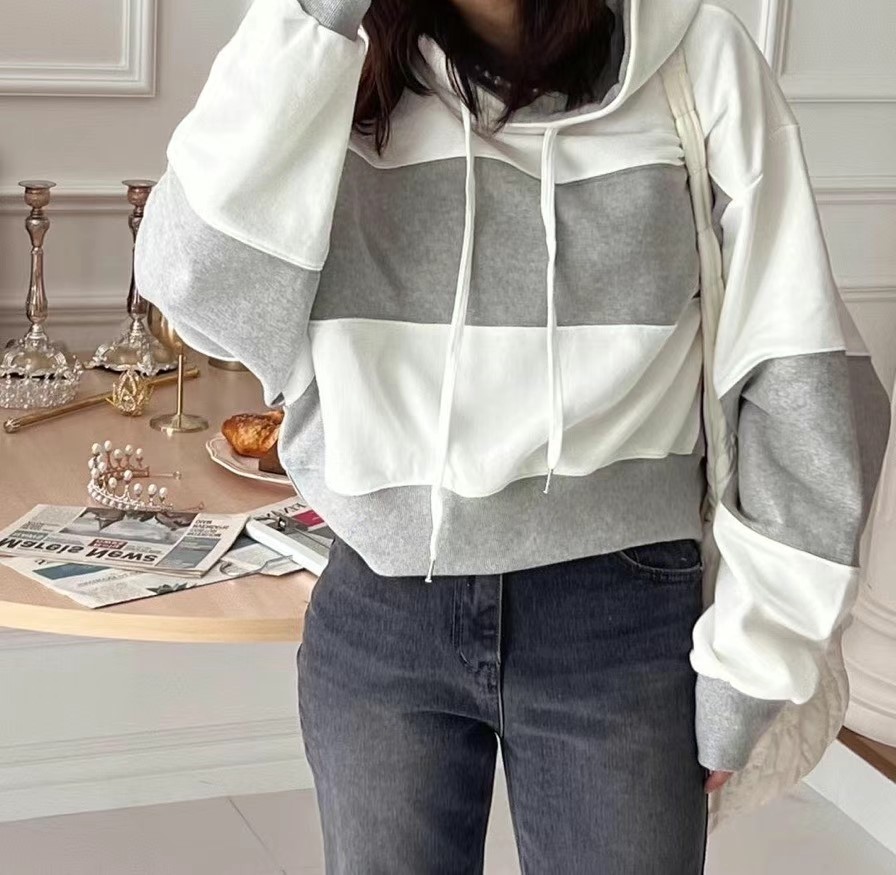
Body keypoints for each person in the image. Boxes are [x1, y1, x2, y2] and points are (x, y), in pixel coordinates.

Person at [135, 0, 891, 872]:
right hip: (383, 605)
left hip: (621, 614)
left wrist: (754, 662)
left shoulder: (697, 54)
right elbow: (194, 289)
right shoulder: (330, 55)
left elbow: (800, 378)